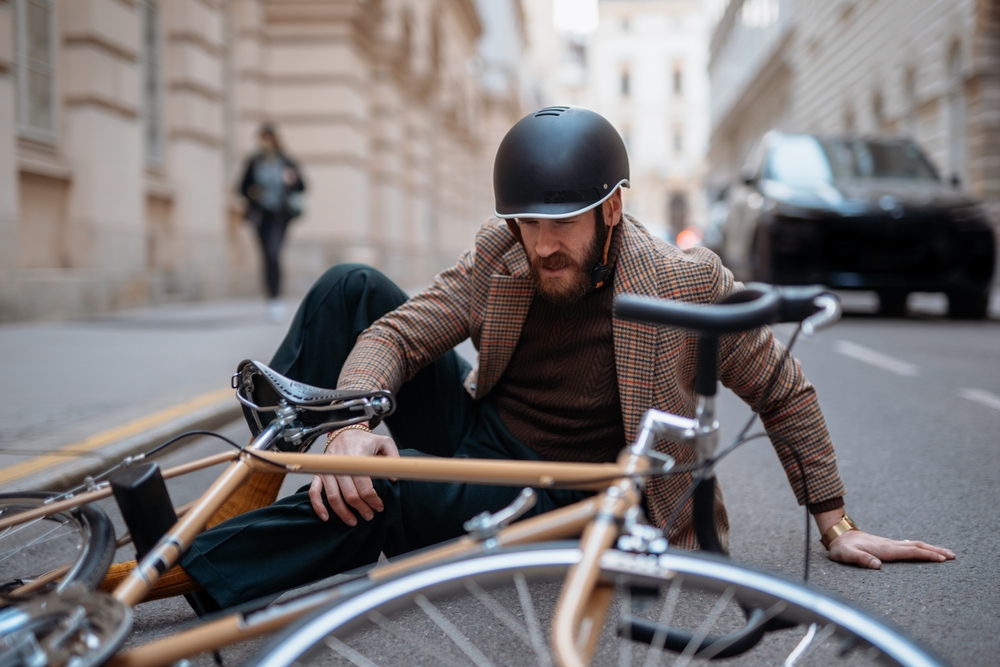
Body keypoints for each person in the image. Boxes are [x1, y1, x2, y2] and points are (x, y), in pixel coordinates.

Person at [179, 107, 953, 609]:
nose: (543, 244)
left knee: (377, 492)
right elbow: (400, 334)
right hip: (482, 427)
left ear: (611, 207)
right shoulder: (502, 251)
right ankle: (244, 490)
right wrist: (352, 421)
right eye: (525, 222)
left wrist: (836, 521)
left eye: (563, 223)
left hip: (565, 491)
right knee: (349, 289)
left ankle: (186, 567)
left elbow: (782, 389)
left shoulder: (683, 283)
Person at [239, 123, 306, 322]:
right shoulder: (254, 161)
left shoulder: (285, 161)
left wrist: (292, 180)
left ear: (275, 139)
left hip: (280, 216)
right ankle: (271, 298)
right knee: (266, 256)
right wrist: (252, 191)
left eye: (269, 138)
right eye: (262, 139)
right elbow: (241, 187)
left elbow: (303, 186)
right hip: (261, 216)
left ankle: (276, 298)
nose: (265, 142)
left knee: (273, 253)